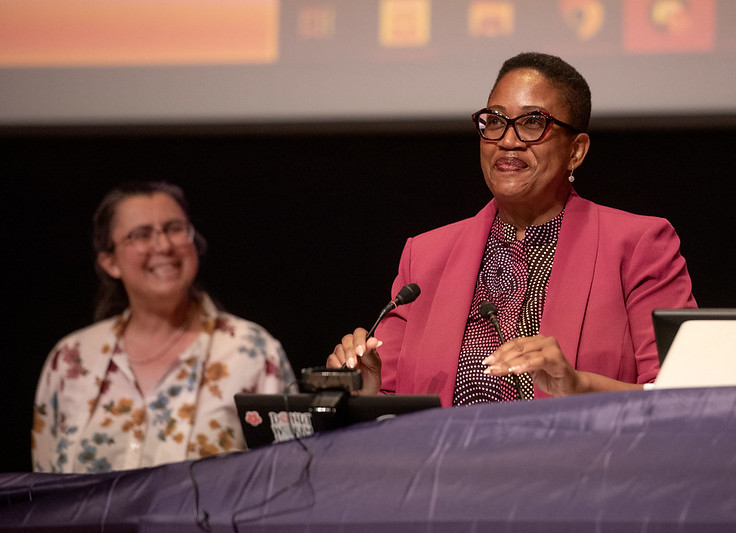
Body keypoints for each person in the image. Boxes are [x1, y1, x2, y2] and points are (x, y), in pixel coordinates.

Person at [327, 52, 696, 406]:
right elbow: (395, 405)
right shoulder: (425, 256)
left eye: (533, 122)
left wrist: (578, 385)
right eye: (495, 121)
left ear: (576, 151)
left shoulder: (638, 245)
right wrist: (368, 393)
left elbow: (683, 396)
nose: (507, 140)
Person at [32, 182, 296, 473]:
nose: (163, 246)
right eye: (141, 235)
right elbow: (45, 492)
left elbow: (285, 476)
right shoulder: (72, 357)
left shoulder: (252, 351)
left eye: (174, 228)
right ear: (110, 262)